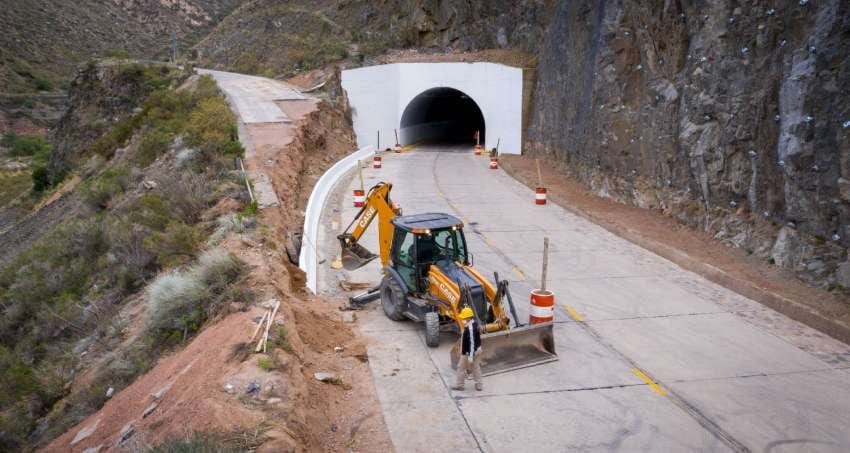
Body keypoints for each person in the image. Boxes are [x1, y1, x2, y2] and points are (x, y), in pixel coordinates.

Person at [452, 307, 483, 391]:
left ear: (468, 318)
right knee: (476, 367)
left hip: (470, 352)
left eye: (464, 318)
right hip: (477, 350)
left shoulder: (470, 328)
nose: (463, 319)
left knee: (460, 367)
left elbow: (472, 343)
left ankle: (460, 385)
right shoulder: (473, 324)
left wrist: (470, 357)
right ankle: (479, 385)